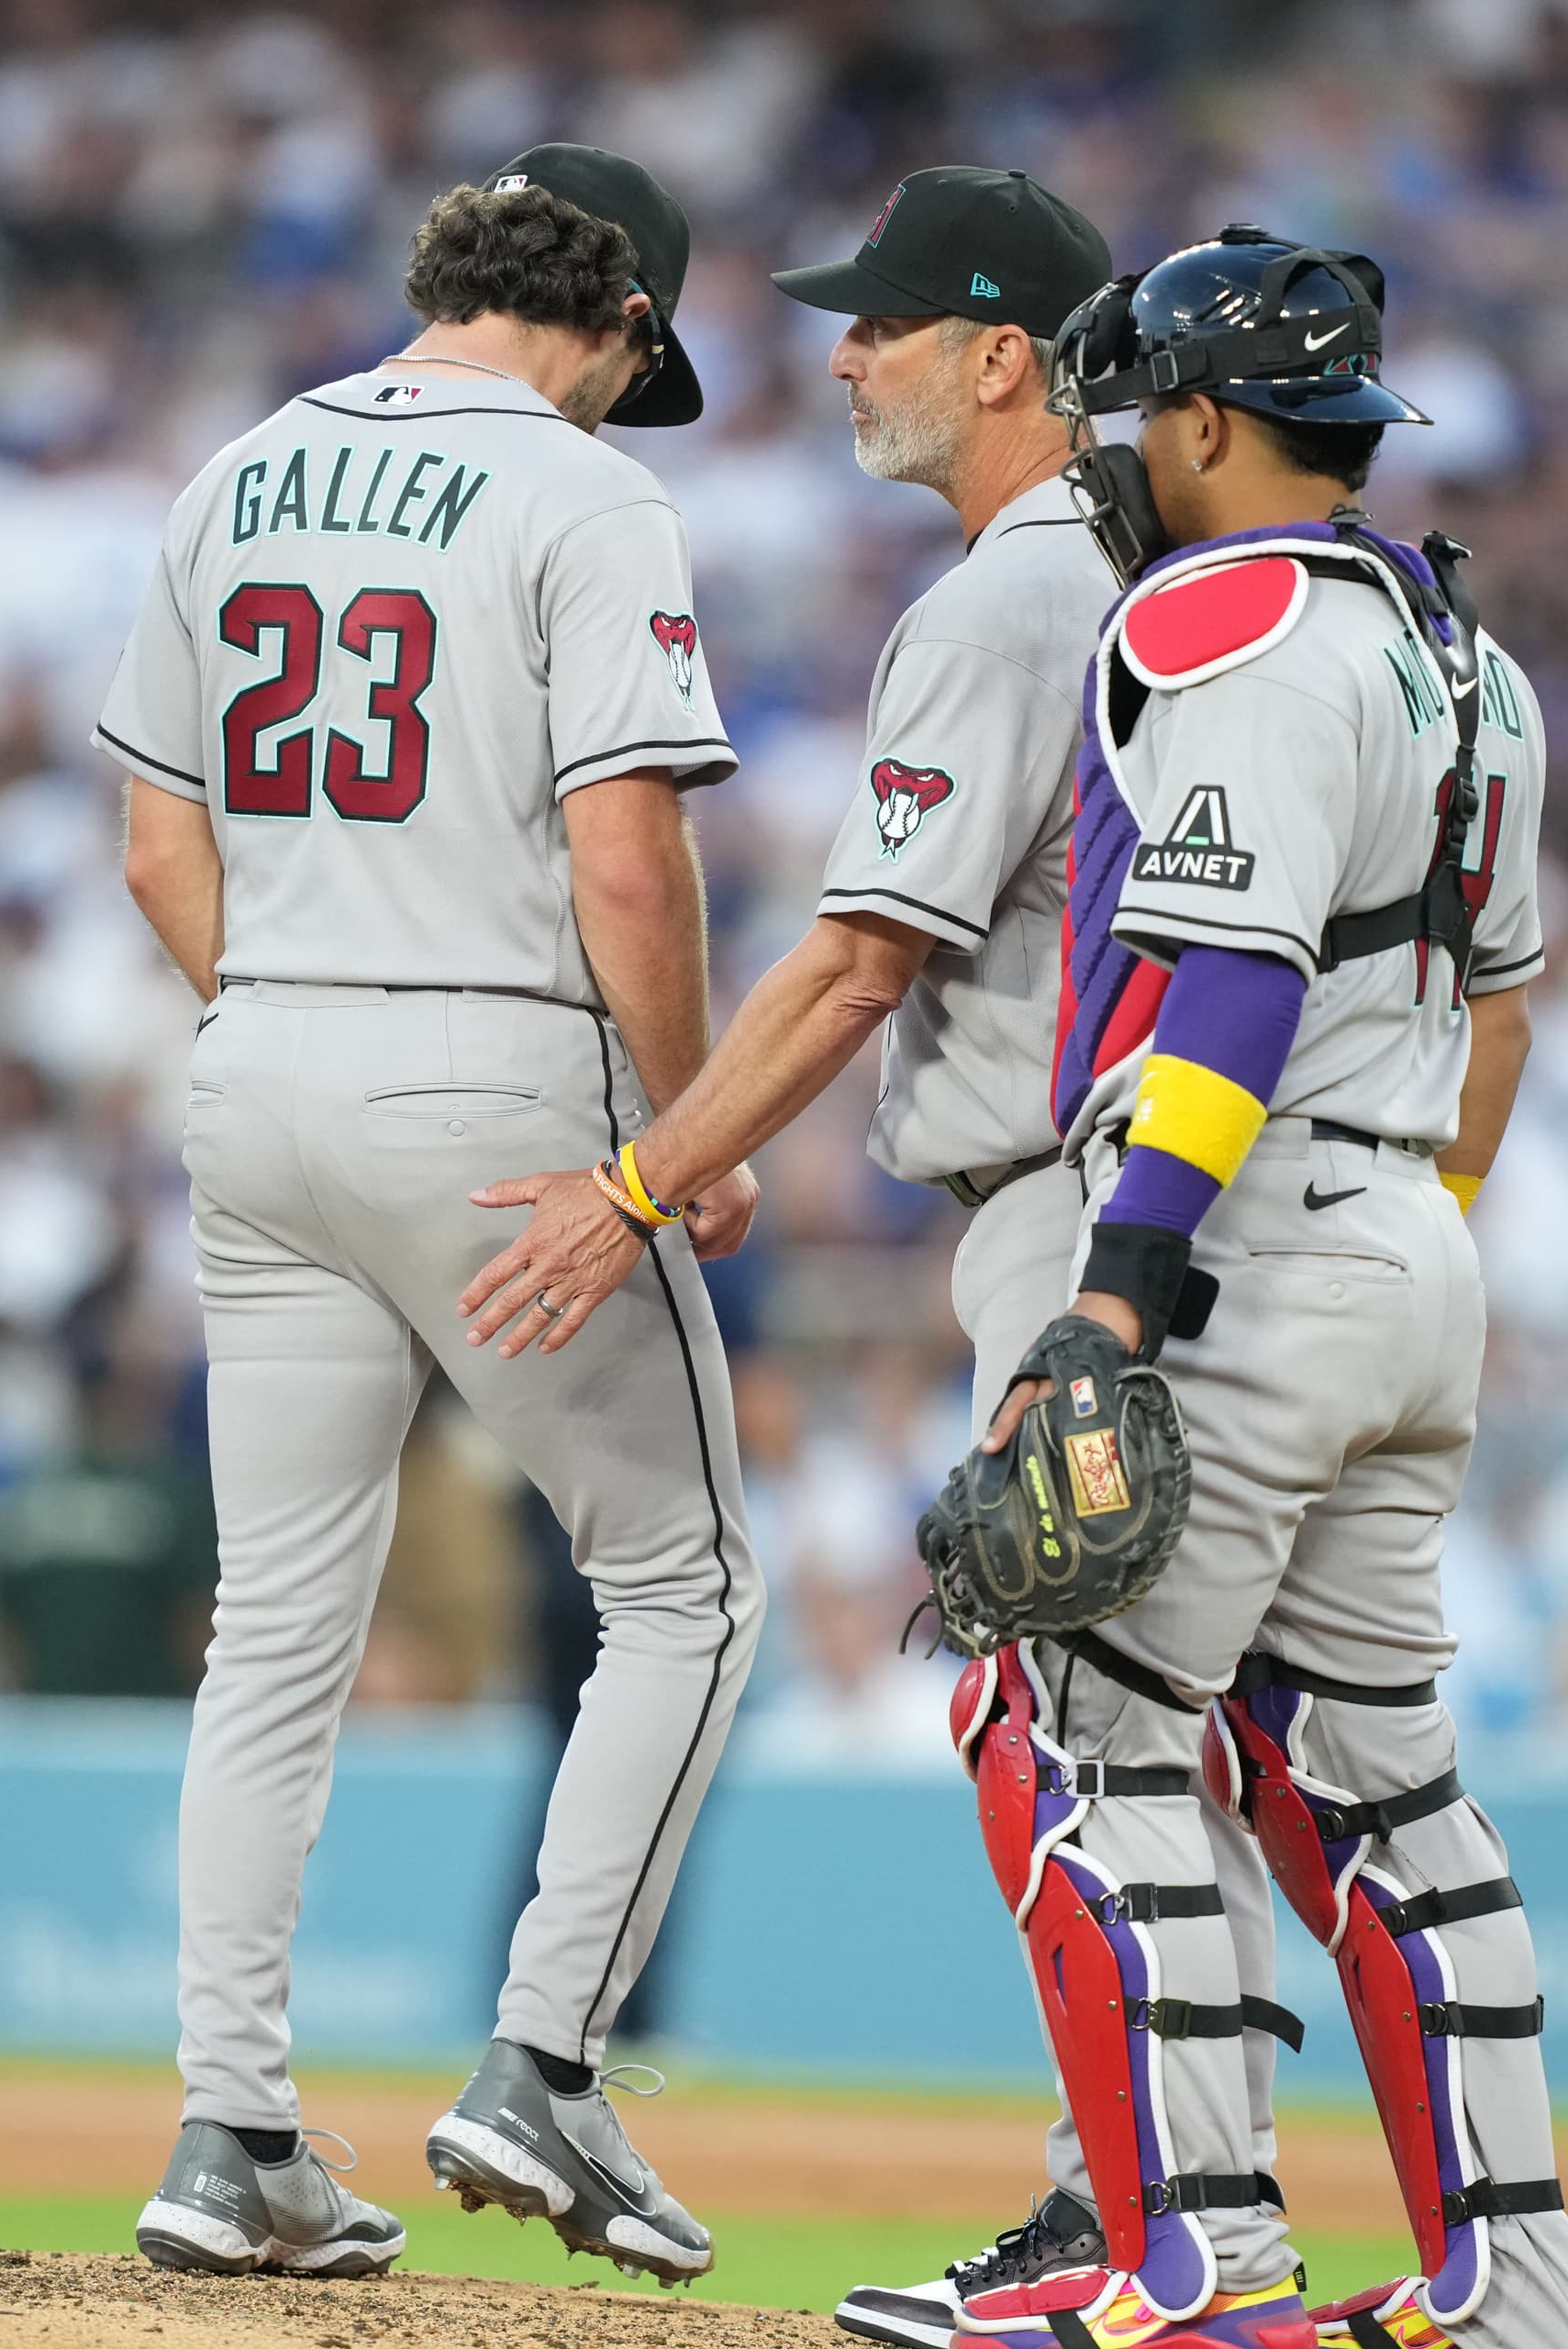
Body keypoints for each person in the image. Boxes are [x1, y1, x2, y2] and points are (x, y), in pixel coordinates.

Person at [441, 160, 1131, 2347]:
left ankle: (1138, 2211)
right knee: (1270, 1742)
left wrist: (649, 1174)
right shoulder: (1181, 569)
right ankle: (1342, 2228)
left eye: (888, 319)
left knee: (1084, 1723)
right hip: (1205, 1194)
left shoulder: (1018, 592)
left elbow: (850, 963)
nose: (842, 352)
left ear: (1006, 352)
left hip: (1090, 1204)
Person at [903, 234, 1568, 2349]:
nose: (1128, 448)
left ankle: (1185, 2252)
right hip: (1411, 1237)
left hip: (1242, 1239)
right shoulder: (1468, 654)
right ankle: (1526, 2283)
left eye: (1145, 415)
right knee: (1382, 1770)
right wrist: (1412, 1226)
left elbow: (1229, 978)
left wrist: (1118, 1293)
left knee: (1063, 1718)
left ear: (1207, 421)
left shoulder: (1233, 623)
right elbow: (1502, 1004)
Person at [99, 146, 763, 2286]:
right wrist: (690, 1124)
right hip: (494, 1072)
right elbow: (634, 862)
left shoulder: (238, 472)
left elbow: (148, 839)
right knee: (689, 1581)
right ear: (626, 320)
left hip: (261, 1053)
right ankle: (549, 2060)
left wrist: (294, 1022)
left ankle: (233, 2130)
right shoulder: (586, 495)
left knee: (274, 1627)